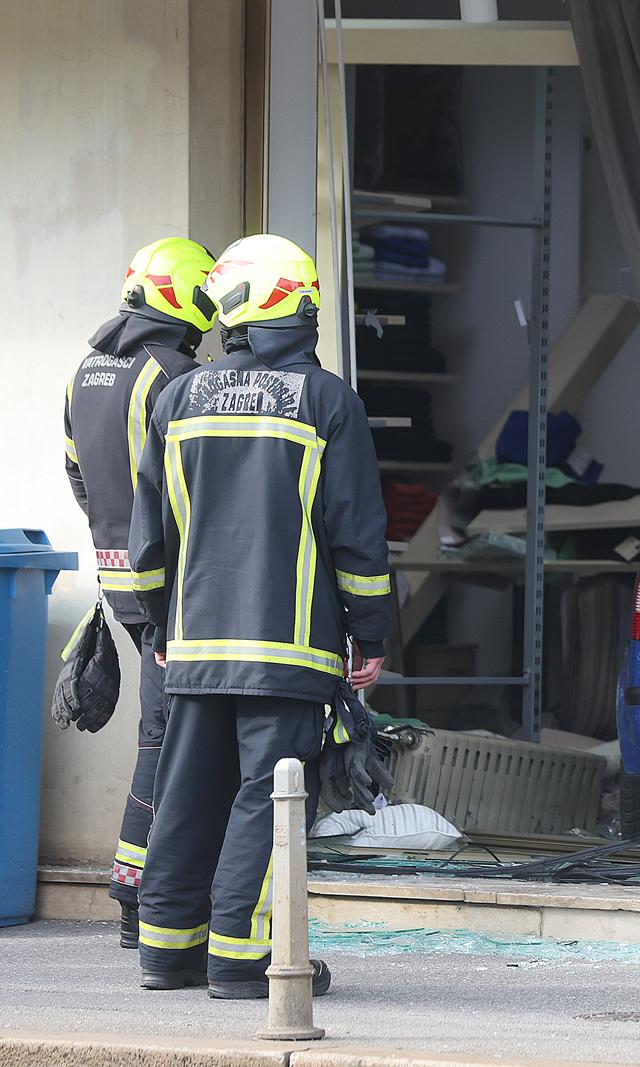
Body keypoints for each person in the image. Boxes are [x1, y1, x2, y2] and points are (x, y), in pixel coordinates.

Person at [128, 233, 393, 999]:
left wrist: (159, 628)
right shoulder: (327, 401)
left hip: (195, 645)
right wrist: (368, 636)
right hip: (289, 647)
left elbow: (148, 543)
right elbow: (356, 533)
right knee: (268, 797)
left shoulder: (178, 398)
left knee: (189, 790)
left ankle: (165, 949)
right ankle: (241, 957)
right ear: (297, 306)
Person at [63, 237, 215, 948]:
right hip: (170, 588)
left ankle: (147, 890)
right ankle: (138, 893)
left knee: (160, 734)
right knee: (165, 739)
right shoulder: (171, 373)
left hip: (117, 578)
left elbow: (78, 476)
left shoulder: (85, 370)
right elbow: (187, 488)